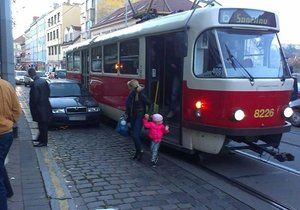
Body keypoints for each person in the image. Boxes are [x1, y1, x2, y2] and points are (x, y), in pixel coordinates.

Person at [0, 77, 22, 209]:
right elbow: (17, 110)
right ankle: (8, 190)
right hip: (7, 134)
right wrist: (9, 122)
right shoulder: (7, 86)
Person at [125, 79, 152, 160]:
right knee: (134, 135)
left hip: (139, 117)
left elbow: (150, 103)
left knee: (135, 135)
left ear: (131, 87)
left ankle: (140, 150)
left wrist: (148, 113)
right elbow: (129, 106)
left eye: (129, 86)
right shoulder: (132, 93)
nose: (128, 88)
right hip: (133, 116)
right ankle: (137, 152)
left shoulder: (140, 94)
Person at [28, 68, 52, 147]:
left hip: (39, 107)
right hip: (46, 105)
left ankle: (43, 142)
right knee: (42, 124)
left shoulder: (35, 84)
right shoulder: (43, 81)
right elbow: (48, 92)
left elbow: (34, 98)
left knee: (42, 125)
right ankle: (40, 138)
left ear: (30, 74)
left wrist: (33, 107)